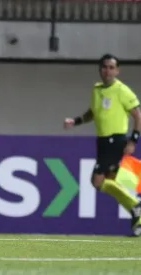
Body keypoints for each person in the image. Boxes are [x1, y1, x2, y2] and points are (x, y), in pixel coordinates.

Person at [64, 54, 141, 236]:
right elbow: (93, 112)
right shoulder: (96, 89)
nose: (108, 71)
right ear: (100, 70)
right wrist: (75, 121)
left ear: (117, 70)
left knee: (97, 181)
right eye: (105, 67)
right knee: (111, 181)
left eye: (111, 67)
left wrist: (133, 140)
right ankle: (136, 215)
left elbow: (137, 115)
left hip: (116, 140)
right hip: (103, 141)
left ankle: (136, 206)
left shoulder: (122, 90)